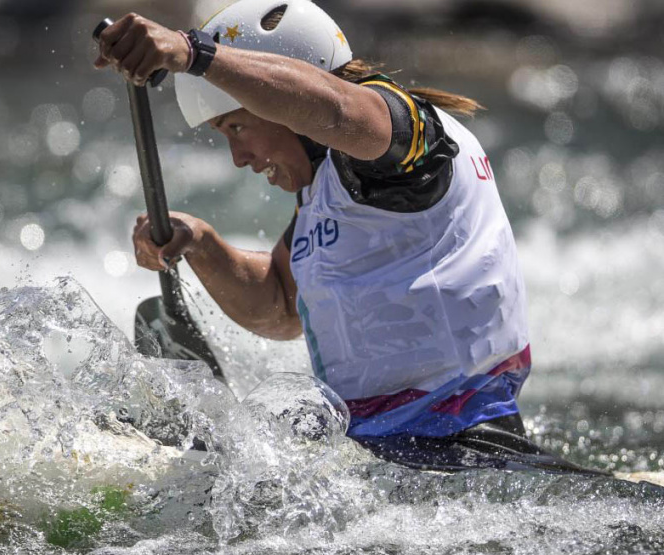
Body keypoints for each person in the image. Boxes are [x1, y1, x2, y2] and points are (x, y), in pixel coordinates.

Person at [94, 0, 605, 475]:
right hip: (378, 459)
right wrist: (200, 243)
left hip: (467, 451)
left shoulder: (405, 142)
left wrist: (194, 54)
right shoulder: (327, 186)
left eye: (236, 128)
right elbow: (282, 304)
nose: (238, 158)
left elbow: (336, 110)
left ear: (286, 97)